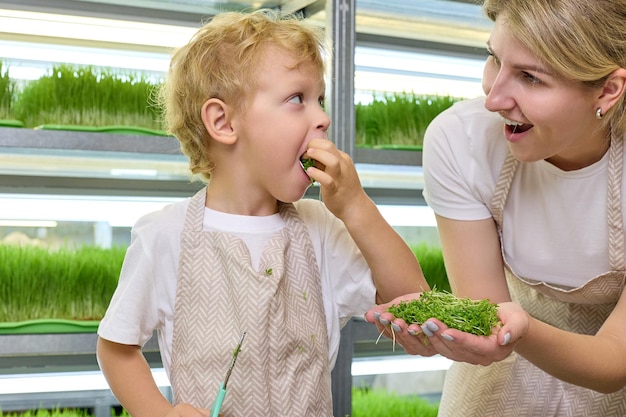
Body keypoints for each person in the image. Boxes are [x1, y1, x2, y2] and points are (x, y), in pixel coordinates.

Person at [96, 9, 427, 417]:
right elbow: (116, 346)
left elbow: (412, 303)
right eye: (297, 99)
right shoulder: (165, 235)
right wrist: (158, 412)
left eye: (319, 100)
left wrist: (356, 207)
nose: (322, 117)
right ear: (223, 122)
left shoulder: (321, 229)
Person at [365, 0, 626, 415]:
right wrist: (489, 330)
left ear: (608, 90)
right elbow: (488, 317)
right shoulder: (460, 140)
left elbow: (615, 358)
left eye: (529, 77)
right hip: (503, 372)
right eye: (494, 58)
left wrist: (522, 331)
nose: (493, 98)